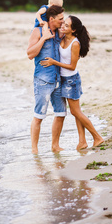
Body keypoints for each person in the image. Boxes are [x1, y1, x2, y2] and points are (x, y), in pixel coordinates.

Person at [40, 15, 104, 150]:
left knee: (76, 112)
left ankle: (97, 137)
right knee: (76, 112)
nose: (63, 26)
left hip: (71, 80)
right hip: (62, 79)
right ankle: (82, 142)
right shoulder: (63, 37)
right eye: (63, 24)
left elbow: (72, 66)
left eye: (66, 26)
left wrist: (53, 62)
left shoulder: (75, 43)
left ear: (73, 30)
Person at [27, 5, 66, 154]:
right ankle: (34, 150)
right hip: (42, 80)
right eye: (60, 19)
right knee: (39, 116)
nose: (63, 22)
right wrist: (44, 38)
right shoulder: (37, 31)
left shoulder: (59, 33)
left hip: (58, 79)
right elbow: (30, 54)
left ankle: (55, 146)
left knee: (61, 114)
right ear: (51, 19)